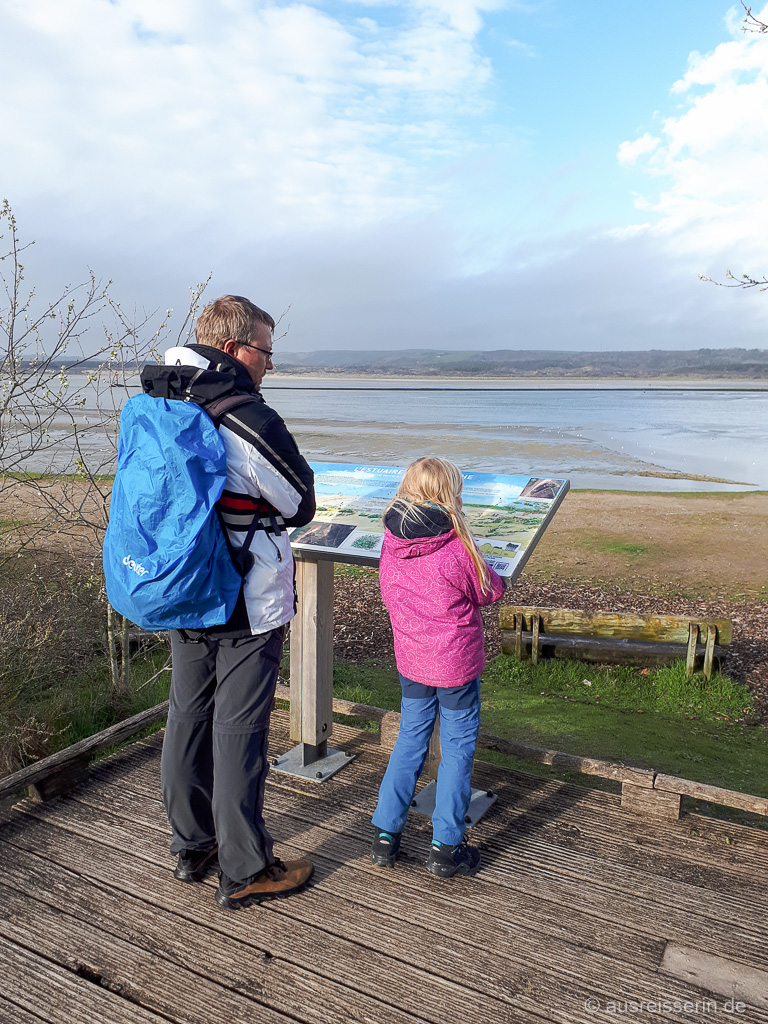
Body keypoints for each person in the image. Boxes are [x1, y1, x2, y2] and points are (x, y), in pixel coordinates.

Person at [140, 295, 316, 910]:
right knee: (240, 727)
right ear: (239, 350)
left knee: (187, 713)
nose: (269, 364)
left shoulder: (162, 400)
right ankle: (244, 867)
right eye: (266, 352)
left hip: (182, 582)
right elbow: (299, 503)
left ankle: (193, 844)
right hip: (243, 592)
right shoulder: (244, 413)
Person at [371, 457, 506, 878]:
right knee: (458, 747)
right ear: (450, 495)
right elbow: (489, 590)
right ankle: (446, 845)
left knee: (410, 740)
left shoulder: (392, 542)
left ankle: (385, 834)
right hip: (455, 666)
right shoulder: (454, 546)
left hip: (412, 660)